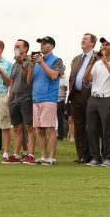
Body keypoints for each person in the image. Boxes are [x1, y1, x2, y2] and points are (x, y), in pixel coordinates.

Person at [83, 37, 110, 167]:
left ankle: (107, 157)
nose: (103, 47)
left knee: (107, 130)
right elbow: (86, 78)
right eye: (102, 45)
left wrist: (105, 62)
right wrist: (93, 60)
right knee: (92, 129)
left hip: (107, 98)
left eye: (106, 45)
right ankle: (95, 157)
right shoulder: (96, 63)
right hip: (93, 98)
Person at [27, 37, 63, 165]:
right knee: (40, 130)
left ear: (52, 46)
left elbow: (54, 76)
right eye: (41, 43)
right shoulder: (36, 63)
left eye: (45, 43)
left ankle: (52, 158)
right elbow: (29, 81)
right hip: (36, 99)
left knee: (49, 129)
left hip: (49, 98)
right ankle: (43, 157)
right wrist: (31, 66)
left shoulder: (57, 60)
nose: (41, 45)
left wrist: (42, 63)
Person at [6, 39, 36, 164]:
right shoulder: (14, 64)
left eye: (18, 46)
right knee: (17, 128)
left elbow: (29, 77)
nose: (16, 48)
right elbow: (12, 80)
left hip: (26, 97)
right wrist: (10, 93)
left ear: (25, 49)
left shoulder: (30, 61)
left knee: (29, 127)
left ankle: (31, 155)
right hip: (14, 99)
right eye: (15, 46)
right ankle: (16, 155)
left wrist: (22, 64)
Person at [68, 33, 97, 163]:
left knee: (91, 126)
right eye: (82, 38)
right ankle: (81, 155)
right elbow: (72, 77)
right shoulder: (76, 58)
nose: (82, 40)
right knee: (78, 126)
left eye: (86, 39)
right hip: (76, 95)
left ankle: (92, 155)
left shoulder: (97, 58)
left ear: (93, 43)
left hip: (91, 95)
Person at [57, 66, 68, 140]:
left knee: (61, 119)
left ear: (63, 69)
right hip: (53, 100)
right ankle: (58, 134)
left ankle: (61, 136)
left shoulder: (66, 78)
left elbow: (68, 90)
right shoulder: (56, 77)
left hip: (61, 100)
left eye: (60, 69)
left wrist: (66, 101)